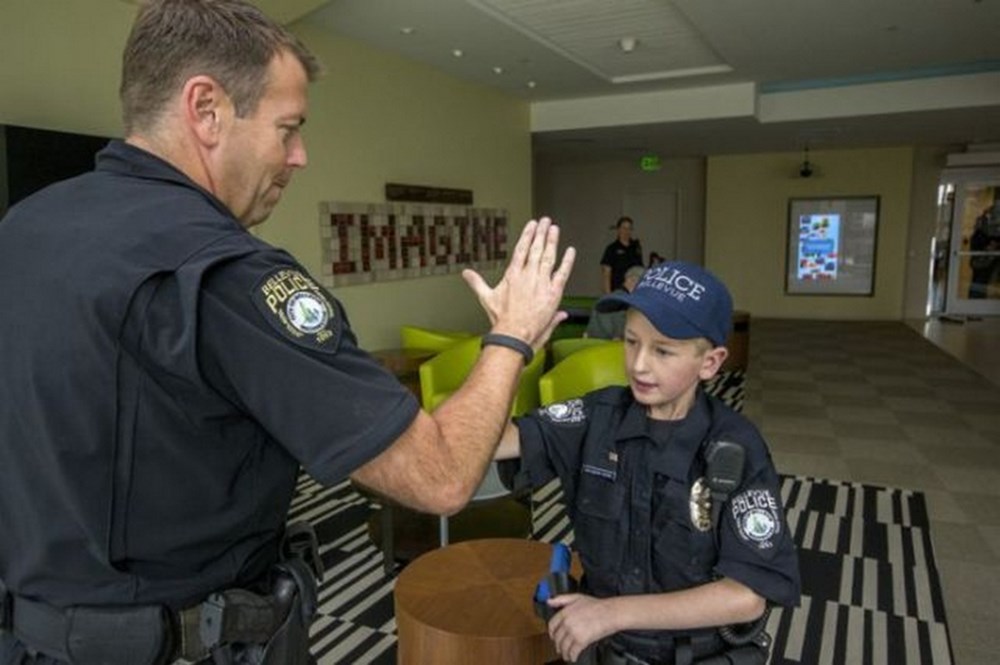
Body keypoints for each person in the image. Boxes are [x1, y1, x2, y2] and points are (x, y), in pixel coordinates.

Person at [0, 1, 575, 663]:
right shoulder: (228, 274)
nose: (299, 156)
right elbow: (439, 475)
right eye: (288, 128)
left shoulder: (24, 228)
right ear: (206, 109)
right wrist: (511, 335)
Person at [496, 261, 800, 665]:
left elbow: (745, 596)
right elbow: (493, 444)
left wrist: (612, 613)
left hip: (690, 654)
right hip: (602, 649)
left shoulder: (735, 446)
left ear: (709, 363)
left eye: (662, 351)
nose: (639, 365)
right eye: (630, 341)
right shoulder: (595, 417)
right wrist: (509, 349)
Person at [585, 265, 645, 339]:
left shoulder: (607, 298)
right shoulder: (624, 302)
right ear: (631, 280)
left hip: (591, 345)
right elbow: (619, 335)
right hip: (609, 347)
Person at [600, 216, 643, 294]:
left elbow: (640, 269)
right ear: (618, 229)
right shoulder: (611, 249)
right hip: (617, 290)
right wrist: (608, 294)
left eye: (629, 228)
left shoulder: (636, 248)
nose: (627, 231)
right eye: (624, 228)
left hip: (634, 291)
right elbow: (606, 274)